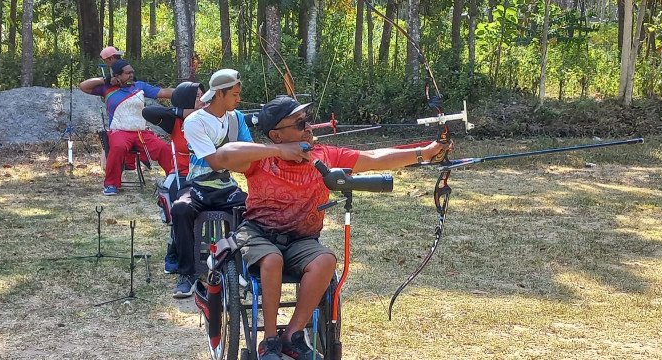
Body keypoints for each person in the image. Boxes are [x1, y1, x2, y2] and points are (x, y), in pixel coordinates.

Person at [208, 97, 445, 360]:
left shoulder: (326, 156)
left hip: (302, 238)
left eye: (307, 120)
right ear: (276, 134)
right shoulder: (261, 159)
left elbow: (375, 158)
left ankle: (293, 335)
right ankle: (270, 340)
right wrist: (277, 151)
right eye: (299, 123)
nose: (308, 127)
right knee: (272, 259)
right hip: (259, 233)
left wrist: (426, 152)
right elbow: (221, 157)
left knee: (325, 261)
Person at [170, 69, 253, 297]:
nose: (238, 99)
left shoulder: (236, 118)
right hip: (197, 185)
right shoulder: (195, 121)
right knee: (181, 208)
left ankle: (242, 268)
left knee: (253, 208)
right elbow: (215, 163)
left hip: (225, 186)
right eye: (234, 95)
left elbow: (248, 150)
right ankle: (186, 274)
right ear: (218, 94)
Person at [79, 59, 176, 195]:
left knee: (163, 148)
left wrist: (186, 92)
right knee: (118, 147)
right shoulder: (107, 88)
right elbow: (83, 86)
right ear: (117, 75)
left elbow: (164, 92)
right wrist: (106, 79)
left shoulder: (139, 86)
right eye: (127, 73)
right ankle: (111, 184)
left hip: (140, 132)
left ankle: (173, 180)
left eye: (132, 72)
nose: (131, 75)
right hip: (119, 131)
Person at [142, 81, 205, 274]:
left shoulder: (210, 118)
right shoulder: (175, 121)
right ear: (184, 100)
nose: (202, 99)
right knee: (177, 202)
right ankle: (173, 251)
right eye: (196, 96)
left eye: (203, 95)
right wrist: (181, 112)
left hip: (208, 173)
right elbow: (148, 112)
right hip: (182, 174)